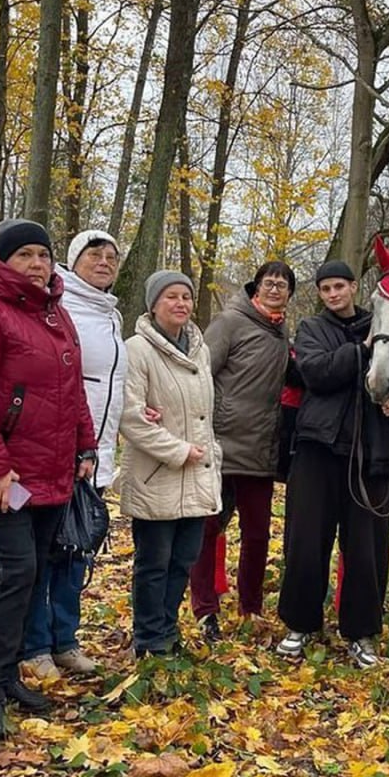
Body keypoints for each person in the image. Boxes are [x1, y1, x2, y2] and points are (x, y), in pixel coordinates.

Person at [0, 219, 97, 740]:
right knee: (13, 572)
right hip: (2, 475)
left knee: (30, 575)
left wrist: (86, 444)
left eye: (43, 255)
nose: (36, 265)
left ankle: (7, 675)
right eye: (25, 255)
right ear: (2, 260)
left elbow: (72, 388)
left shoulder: (56, 314)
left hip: (52, 472)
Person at [277, 260, 389, 669]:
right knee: (306, 542)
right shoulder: (312, 329)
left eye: (339, 287)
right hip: (317, 448)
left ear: (353, 286)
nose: (333, 294)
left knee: (366, 549)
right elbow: (315, 372)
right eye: (325, 288)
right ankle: (299, 623)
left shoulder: (381, 323)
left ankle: (361, 633)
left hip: (369, 452)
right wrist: (360, 350)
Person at [21, 229, 126, 680]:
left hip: (95, 456)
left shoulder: (112, 315)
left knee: (77, 548)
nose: (104, 261)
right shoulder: (57, 306)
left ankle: (66, 639)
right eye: (94, 254)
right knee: (45, 551)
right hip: (56, 453)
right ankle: (35, 645)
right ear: (72, 259)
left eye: (111, 256)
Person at [189, 261, 295, 640]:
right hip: (219, 444)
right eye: (269, 282)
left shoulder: (283, 333)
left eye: (283, 285)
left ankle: (250, 607)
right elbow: (199, 371)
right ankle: (205, 609)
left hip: (260, 449)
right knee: (208, 528)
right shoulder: (229, 322)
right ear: (256, 288)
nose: (275, 289)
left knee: (258, 533)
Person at [118, 270, 221, 658]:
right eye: (171, 297)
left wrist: (211, 454)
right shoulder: (136, 349)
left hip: (198, 474)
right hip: (157, 474)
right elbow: (130, 417)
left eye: (186, 297)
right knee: (153, 563)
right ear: (153, 304)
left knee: (183, 561)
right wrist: (177, 450)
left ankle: (168, 630)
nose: (181, 304)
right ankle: (148, 639)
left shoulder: (201, 349)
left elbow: (205, 415)